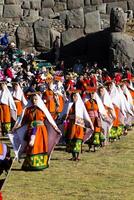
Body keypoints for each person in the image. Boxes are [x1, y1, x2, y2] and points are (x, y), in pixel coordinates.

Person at [14, 94, 61, 171]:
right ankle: (30, 165)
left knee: (39, 147)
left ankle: (40, 165)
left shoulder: (42, 110)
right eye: (32, 99)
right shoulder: (28, 110)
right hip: (31, 130)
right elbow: (23, 121)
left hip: (41, 131)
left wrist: (55, 128)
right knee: (31, 147)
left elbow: (49, 119)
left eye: (35, 99)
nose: (34, 101)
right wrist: (16, 128)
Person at [59, 91, 94, 161]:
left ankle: (77, 156)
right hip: (71, 125)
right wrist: (64, 118)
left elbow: (85, 115)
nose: (73, 97)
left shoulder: (81, 105)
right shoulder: (68, 104)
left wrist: (89, 123)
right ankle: (73, 155)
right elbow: (64, 113)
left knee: (78, 139)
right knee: (71, 139)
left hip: (79, 126)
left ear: (78, 97)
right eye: (72, 96)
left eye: (75, 96)